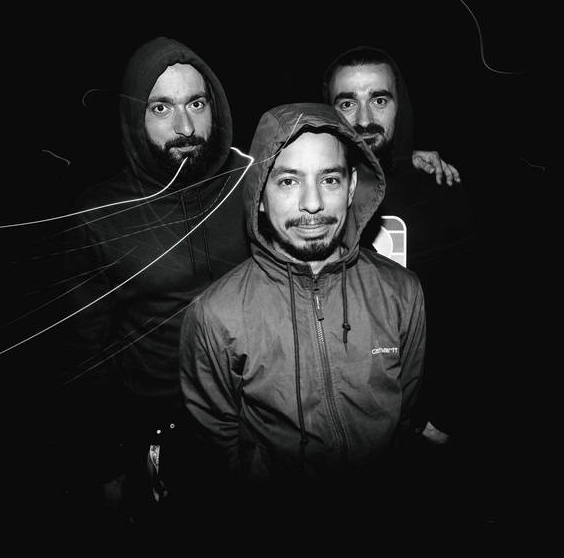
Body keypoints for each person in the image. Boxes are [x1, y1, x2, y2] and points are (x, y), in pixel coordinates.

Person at [179, 102, 426, 523]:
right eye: (289, 181)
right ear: (259, 193)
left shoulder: (402, 292)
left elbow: (405, 418)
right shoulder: (214, 315)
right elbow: (217, 452)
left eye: (329, 179)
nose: (313, 204)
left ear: (351, 187)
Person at [55, 36, 252, 532]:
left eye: (196, 104)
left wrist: (404, 159)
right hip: (163, 432)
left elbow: (330, 183)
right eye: (161, 107)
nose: (185, 127)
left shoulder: (253, 182)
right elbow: (83, 356)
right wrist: (104, 465)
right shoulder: (99, 216)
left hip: (257, 417)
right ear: (133, 117)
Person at [321, 45, 476, 448]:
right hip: (332, 416)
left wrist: (441, 412)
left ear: (399, 105)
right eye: (347, 103)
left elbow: (463, 310)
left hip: (418, 421)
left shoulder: (439, 187)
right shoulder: (314, 192)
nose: (364, 119)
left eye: (379, 99)